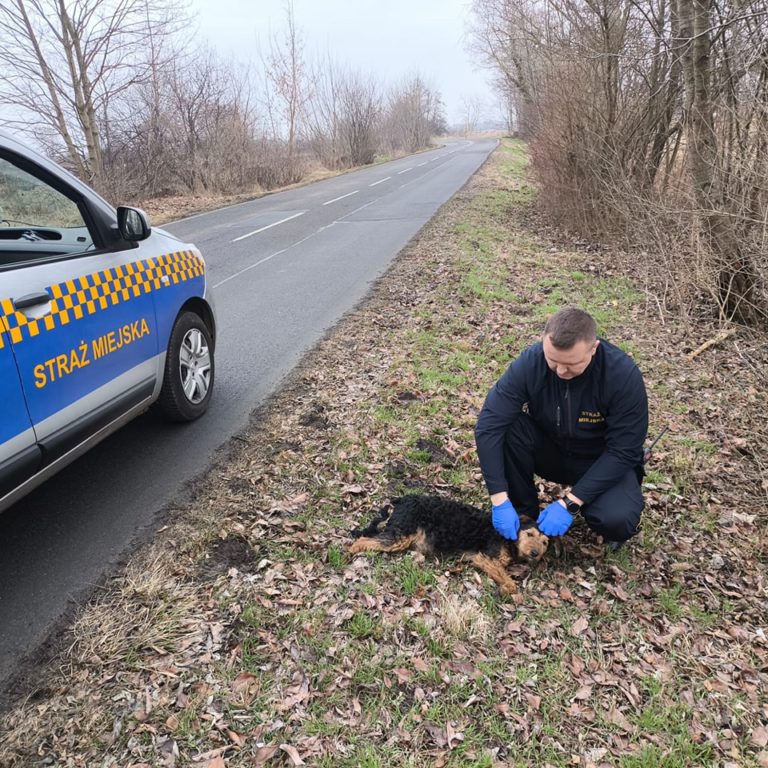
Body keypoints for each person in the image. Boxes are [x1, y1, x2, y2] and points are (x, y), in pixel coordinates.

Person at [474, 307, 648, 549]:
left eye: (572, 364)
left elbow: (625, 450)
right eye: (553, 361)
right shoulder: (532, 362)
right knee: (508, 426)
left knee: (617, 519)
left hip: (598, 460)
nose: (561, 371)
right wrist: (499, 499)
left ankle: (607, 519)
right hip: (551, 451)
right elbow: (489, 425)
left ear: (593, 349)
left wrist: (571, 503)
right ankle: (523, 516)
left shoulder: (622, 376)